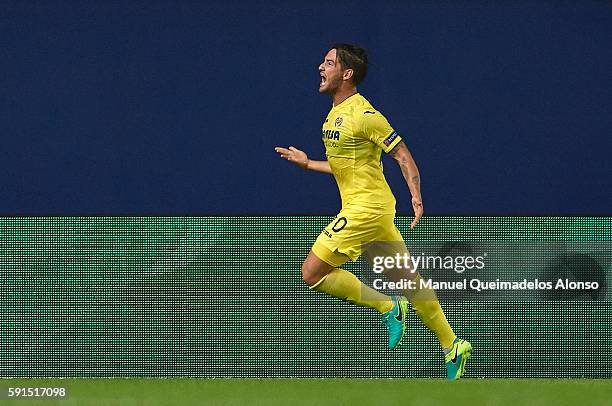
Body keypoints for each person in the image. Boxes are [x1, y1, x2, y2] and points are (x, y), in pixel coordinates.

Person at [275, 44, 471, 380]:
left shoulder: (365, 115)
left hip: (367, 208)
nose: (320, 67)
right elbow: (345, 166)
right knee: (409, 281)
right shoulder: (335, 115)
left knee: (312, 272)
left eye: (329, 63)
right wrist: (308, 164)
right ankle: (453, 345)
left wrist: (417, 196)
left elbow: (403, 155)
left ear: (347, 73)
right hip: (373, 210)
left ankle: (388, 307)